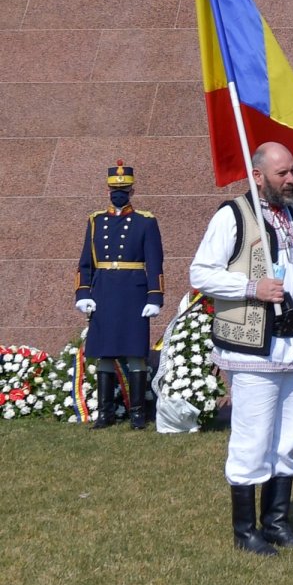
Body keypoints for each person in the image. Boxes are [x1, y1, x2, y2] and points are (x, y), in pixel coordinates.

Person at [190, 142, 293, 556]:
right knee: (252, 439)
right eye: (283, 173)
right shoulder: (233, 215)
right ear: (258, 175)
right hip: (253, 347)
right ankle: (245, 532)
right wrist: (250, 287)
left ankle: (276, 522)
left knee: (287, 439)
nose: (292, 179)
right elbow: (200, 272)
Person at [75, 161, 164, 430]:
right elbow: (85, 262)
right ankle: (106, 413)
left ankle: (137, 413)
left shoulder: (145, 222)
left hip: (133, 292)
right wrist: (83, 292)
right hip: (104, 291)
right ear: (108, 190)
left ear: (132, 190)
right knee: (104, 352)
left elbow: (155, 262)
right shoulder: (95, 221)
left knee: (135, 351)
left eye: (124, 189)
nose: (119, 193)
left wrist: (154, 297)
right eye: (115, 189)